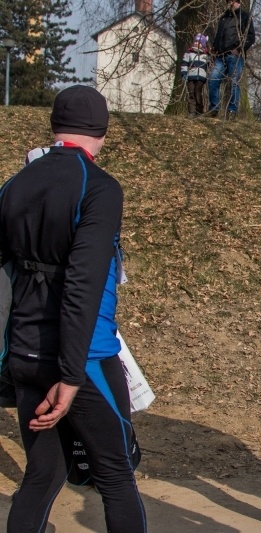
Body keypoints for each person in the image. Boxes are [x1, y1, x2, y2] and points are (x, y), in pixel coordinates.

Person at [0, 85, 146, 532]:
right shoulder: (99, 188)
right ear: (101, 131)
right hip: (84, 359)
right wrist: (69, 375)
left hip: (25, 350)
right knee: (117, 475)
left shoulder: (14, 183)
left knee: (42, 475)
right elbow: (82, 285)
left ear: (54, 127)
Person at [208, 0, 256, 119]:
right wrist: (214, 50)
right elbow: (219, 36)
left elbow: (251, 37)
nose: (229, 4)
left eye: (231, 1)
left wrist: (240, 49)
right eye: (227, 1)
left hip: (235, 55)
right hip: (220, 55)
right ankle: (214, 108)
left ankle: (232, 111)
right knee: (213, 79)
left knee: (234, 82)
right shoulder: (223, 18)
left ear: (237, 2)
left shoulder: (244, 16)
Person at [181, 33, 211, 117]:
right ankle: (191, 112)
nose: (197, 43)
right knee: (191, 93)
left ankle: (199, 111)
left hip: (201, 78)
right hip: (190, 76)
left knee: (198, 93)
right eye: (196, 42)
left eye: (199, 42)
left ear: (203, 44)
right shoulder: (189, 52)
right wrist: (184, 73)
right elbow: (184, 64)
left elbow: (210, 65)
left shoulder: (205, 55)